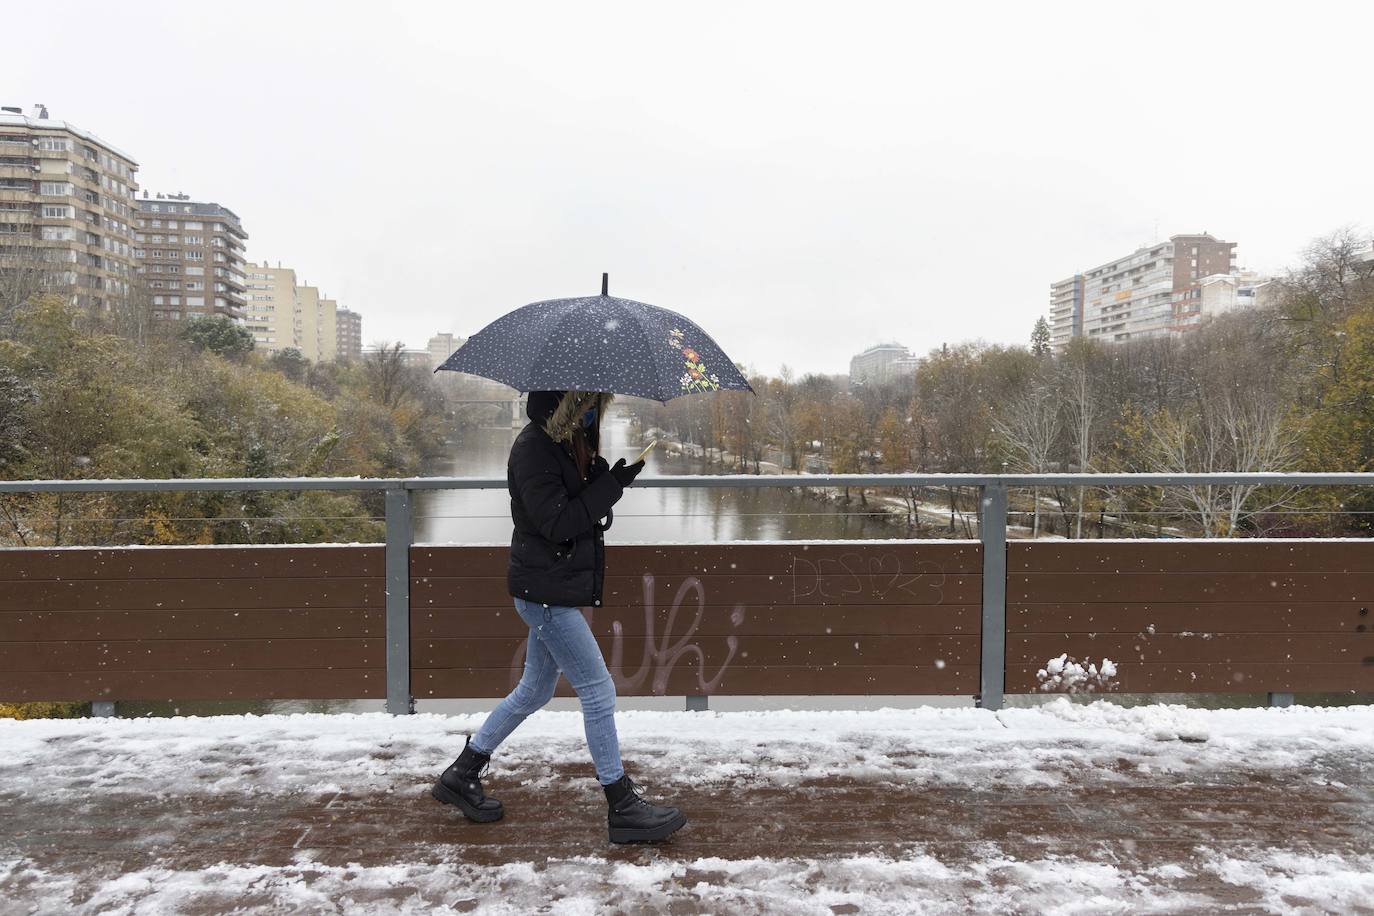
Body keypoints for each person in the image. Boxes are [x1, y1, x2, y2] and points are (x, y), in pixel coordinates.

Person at [432, 389, 687, 844]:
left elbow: (572, 509)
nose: (591, 412)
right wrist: (606, 490)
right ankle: (622, 804)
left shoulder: (560, 442)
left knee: (534, 690)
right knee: (598, 689)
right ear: (563, 403)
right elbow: (557, 523)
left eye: (595, 406)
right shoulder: (534, 449)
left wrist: (609, 480)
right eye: (585, 404)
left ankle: (463, 772)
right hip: (545, 593)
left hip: (551, 587)